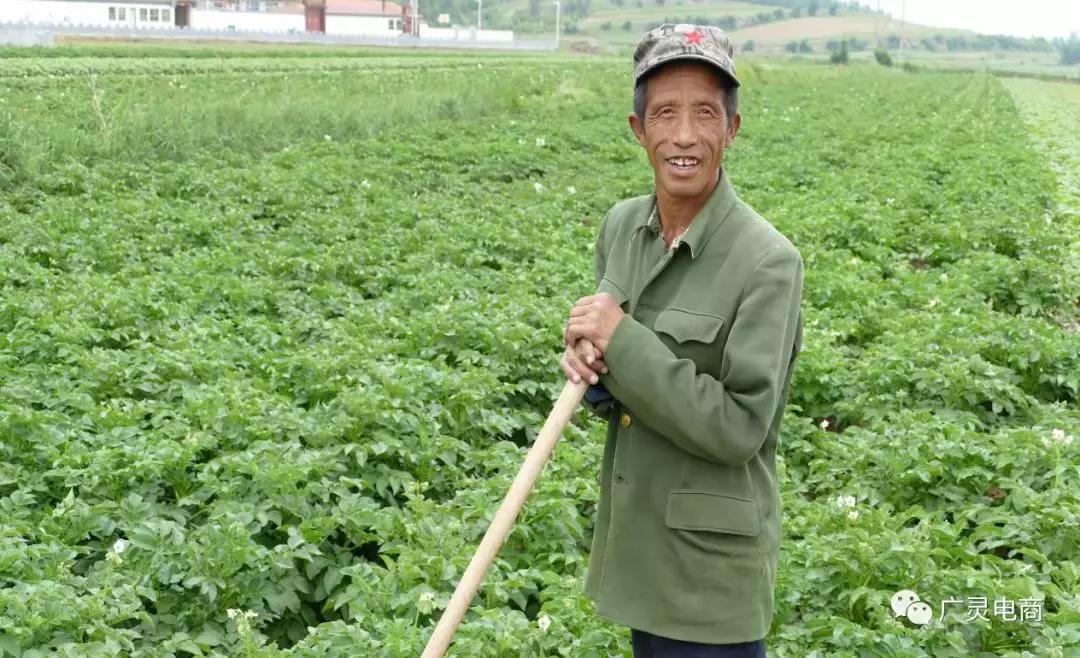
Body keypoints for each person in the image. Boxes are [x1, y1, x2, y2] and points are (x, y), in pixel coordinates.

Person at [559, 23, 804, 658]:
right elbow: (620, 377)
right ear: (639, 131)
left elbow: (741, 426)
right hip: (638, 551)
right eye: (665, 113)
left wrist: (622, 343)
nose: (685, 135)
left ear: (732, 129)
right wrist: (592, 365)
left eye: (705, 113)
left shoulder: (768, 262)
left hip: (708, 580)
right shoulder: (622, 228)